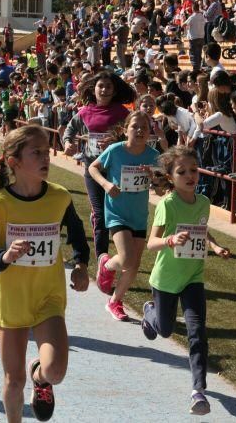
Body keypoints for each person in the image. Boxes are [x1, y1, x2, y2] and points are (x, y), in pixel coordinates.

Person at [0, 125, 89, 423]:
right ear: (13, 162)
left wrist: (80, 265)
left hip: (48, 299)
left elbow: (77, 234)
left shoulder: (60, 197)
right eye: (36, 152)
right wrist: (5, 256)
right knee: (13, 381)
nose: (45, 157)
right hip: (13, 302)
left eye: (46, 150)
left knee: (56, 371)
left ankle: (40, 377)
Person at [141, 145, 230, 416]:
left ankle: (198, 391)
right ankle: (150, 313)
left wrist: (215, 247)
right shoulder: (167, 204)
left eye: (193, 170)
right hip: (166, 278)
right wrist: (170, 240)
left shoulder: (203, 202)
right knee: (165, 330)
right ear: (170, 176)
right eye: (182, 172)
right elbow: (151, 243)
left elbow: (201, 232)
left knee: (197, 331)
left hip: (193, 276)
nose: (190, 176)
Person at [90, 112, 159, 321]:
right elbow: (93, 167)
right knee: (127, 259)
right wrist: (106, 184)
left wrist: (154, 177)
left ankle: (114, 301)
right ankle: (107, 265)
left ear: (149, 132)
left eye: (144, 128)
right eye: (135, 127)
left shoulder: (154, 155)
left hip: (138, 214)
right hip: (117, 212)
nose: (139, 131)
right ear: (125, 129)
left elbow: (162, 186)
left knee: (134, 265)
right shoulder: (115, 150)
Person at [62, 72, 133, 258]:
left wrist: (116, 142)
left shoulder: (123, 113)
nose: (104, 89)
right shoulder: (85, 112)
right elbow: (69, 130)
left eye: (108, 86)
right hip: (92, 170)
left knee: (118, 214)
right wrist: (68, 143)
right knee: (100, 215)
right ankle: (102, 257)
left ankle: (124, 253)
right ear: (93, 89)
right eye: (100, 86)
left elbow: (133, 137)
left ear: (114, 90)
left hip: (116, 171)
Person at [183, 5, 207, 70]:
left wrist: (184, 18)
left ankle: (195, 70)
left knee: (193, 55)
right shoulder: (202, 16)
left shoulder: (192, 17)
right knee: (199, 54)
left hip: (194, 38)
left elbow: (183, 25)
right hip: (201, 37)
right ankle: (198, 68)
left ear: (193, 9)